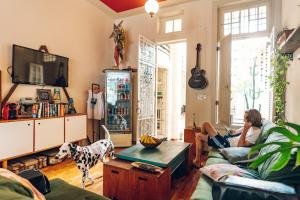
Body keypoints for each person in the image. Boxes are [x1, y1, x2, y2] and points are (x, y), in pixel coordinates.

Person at [193, 109, 262, 168]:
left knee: (199, 135)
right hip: (226, 140)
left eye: (245, 118)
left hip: (225, 145)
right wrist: (232, 131)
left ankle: (197, 161)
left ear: (250, 120)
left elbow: (240, 146)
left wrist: (245, 130)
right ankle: (203, 148)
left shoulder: (256, 133)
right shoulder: (249, 126)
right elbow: (235, 132)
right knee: (205, 125)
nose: (244, 120)